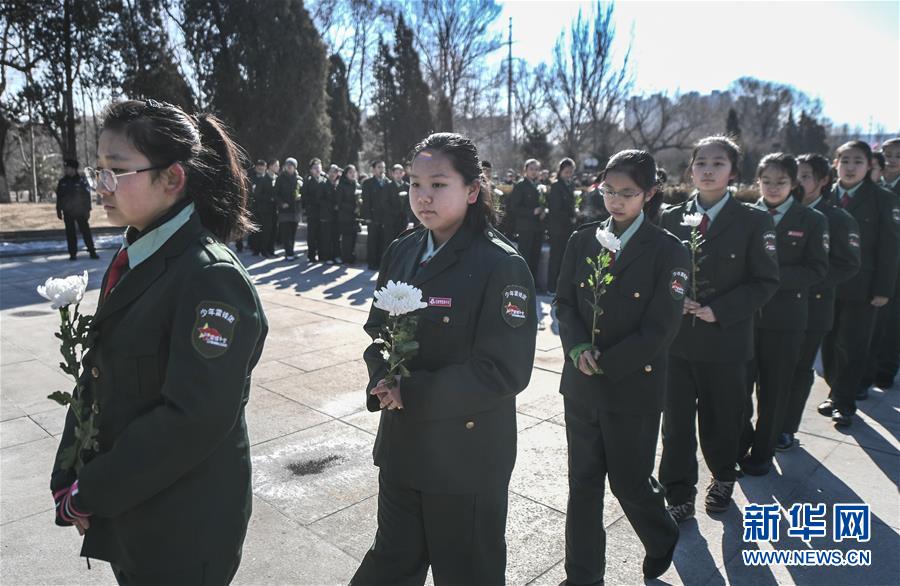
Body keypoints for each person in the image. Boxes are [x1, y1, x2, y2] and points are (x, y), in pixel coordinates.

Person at [51, 99, 268, 583]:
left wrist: (95, 490)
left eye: (117, 171)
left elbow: (191, 420)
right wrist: (70, 471)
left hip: (183, 525)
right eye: (99, 169)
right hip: (137, 508)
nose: (100, 186)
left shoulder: (210, 279)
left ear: (172, 178)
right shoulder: (136, 253)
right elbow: (101, 375)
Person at [350, 133, 537, 586]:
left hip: (464, 459)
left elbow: (503, 370)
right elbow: (378, 331)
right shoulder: (403, 250)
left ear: (472, 191)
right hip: (402, 448)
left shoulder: (499, 264)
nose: (423, 196)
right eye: (414, 184)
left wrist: (409, 391)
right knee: (391, 563)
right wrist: (381, 377)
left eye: (438, 184)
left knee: (467, 573)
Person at [555, 150, 687, 584]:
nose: (615, 201)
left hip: (633, 385)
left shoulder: (669, 251)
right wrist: (577, 350)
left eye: (627, 193)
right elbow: (565, 303)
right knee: (583, 486)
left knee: (630, 483)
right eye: (608, 190)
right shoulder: (582, 240)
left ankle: (661, 534)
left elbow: (660, 329)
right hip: (582, 386)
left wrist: (607, 362)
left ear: (649, 194)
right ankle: (583, 575)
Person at [658, 136, 779, 521]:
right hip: (676, 343)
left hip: (725, 341)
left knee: (722, 420)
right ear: (690, 168)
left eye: (718, 163)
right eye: (700, 163)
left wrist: (718, 310)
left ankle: (723, 476)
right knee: (675, 424)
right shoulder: (670, 217)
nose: (708, 170)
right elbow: (659, 274)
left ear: (733, 171)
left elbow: (765, 281)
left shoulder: (754, 221)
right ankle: (678, 491)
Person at [737, 153, 829, 476]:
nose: (773, 188)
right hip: (744, 317)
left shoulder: (811, 220)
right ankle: (741, 442)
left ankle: (763, 453)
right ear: (757, 181)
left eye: (781, 182)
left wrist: (770, 278)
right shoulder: (744, 216)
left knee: (774, 391)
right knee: (738, 387)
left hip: (786, 319)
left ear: (794, 183)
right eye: (766, 181)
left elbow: (817, 269)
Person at [781, 154, 860, 450]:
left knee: (799, 369)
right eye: (794, 176)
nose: (797, 183)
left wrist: (806, 280)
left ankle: (786, 428)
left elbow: (848, 264)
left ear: (824, 180)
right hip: (772, 308)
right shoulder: (775, 213)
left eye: (804, 177)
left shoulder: (837, 218)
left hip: (812, 307)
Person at [818, 141, 900, 425]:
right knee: (828, 343)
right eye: (845, 161)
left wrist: (883, 290)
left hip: (863, 289)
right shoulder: (823, 195)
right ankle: (834, 390)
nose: (850, 167)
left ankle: (845, 401)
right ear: (835, 163)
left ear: (869, 166)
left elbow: (890, 249)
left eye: (858, 162)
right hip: (826, 285)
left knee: (852, 346)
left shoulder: (882, 199)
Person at [862, 138, 900, 390]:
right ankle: (868, 369)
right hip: (875, 262)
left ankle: (885, 370)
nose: (892, 160)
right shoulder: (873, 185)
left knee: (894, 321)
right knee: (872, 320)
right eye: (887, 154)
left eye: (898, 155)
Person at [508, 159, 545, 284]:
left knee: (536, 256)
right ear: (525, 170)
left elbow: (543, 203)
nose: (534, 172)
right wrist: (531, 212)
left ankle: (533, 283)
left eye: (536, 169)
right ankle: (522, 283)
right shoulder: (520, 186)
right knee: (525, 256)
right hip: (525, 227)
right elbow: (514, 207)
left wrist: (544, 210)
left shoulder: (540, 186)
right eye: (531, 169)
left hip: (538, 227)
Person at [56, 158, 99, 260]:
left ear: (74, 169)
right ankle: (72, 253)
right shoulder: (62, 182)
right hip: (68, 212)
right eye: (66, 168)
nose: (66, 170)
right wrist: (58, 210)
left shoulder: (82, 180)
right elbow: (59, 197)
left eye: (68, 168)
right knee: (70, 234)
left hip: (80, 211)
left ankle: (92, 251)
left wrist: (88, 210)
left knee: (86, 232)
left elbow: (86, 196)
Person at [547, 158, 578, 293]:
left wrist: (576, 211)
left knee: (565, 258)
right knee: (556, 257)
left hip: (568, 228)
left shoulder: (570, 185)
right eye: (566, 172)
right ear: (560, 171)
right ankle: (551, 287)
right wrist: (570, 217)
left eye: (571, 172)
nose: (569, 174)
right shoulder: (556, 186)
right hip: (558, 228)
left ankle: (561, 287)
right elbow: (555, 209)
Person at [362, 160, 388, 269]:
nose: (382, 170)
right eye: (379, 167)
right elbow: (366, 202)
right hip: (372, 216)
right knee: (372, 240)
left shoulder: (388, 182)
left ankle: (380, 262)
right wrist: (367, 217)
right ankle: (372, 263)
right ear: (373, 169)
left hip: (385, 218)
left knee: (383, 240)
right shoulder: (368, 183)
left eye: (383, 167)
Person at [275, 157, 301, 261]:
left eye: (291, 165)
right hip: (284, 210)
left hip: (295, 210)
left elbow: (303, 192)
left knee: (293, 233)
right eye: (288, 165)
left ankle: (291, 251)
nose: (289, 167)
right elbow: (276, 194)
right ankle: (288, 252)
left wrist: (300, 197)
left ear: (295, 167)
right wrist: (281, 203)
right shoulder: (280, 178)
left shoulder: (298, 179)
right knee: (286, 233)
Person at [302, 158, 325, 262]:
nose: (317, 170)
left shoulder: (324, 179)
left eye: (319, 167)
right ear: (311, 170)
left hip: (322, 212)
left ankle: (321, 254)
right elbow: (305, 197)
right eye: (315, 168)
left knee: (321, 234)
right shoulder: (307, 180)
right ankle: (311, 255)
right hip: (312, 211)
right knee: (312, 235)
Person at [382, 163, 409, 252]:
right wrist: (395, 212)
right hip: (391, 220)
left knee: (402, 241)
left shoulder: (407, 186)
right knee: (389, 242)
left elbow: (410, 203)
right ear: (392, 174)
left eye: (400, 172)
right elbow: (385, 203)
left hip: (403, 219)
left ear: (403, 173)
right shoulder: (387, 186)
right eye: (396, 173)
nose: (398, 175)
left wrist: (406, 213)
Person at [256, 159, 280, 258]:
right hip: (265, 210)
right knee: (266, 230)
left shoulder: (277, 178)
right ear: (270, 166)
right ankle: (263, 250)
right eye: (276, 165)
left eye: (278, 166)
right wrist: (269, 198)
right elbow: (257, 194)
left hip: (275, 209)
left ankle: (271, 250)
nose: (278, 167)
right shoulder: (263, 179)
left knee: (274, 230)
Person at [337, 164, 360, 264]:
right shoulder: (341, 185)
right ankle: (345, 258)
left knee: (354, 237)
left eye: (354, 172)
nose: (353, 174)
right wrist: (352, 208)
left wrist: (359, 205)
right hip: (345, 216)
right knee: (347, 239)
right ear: (345, 174)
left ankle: (351, 257)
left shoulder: (356, 185)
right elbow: (339, 202)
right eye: (350, 172)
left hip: (354, 217)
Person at [319, 164, 341, 264]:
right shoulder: (323, 184)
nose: (333, 174)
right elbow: (320, 200)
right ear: (327, 173)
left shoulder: (339, 185)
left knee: (336, 237)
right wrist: (332, 206)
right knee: (326, 237)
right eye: (331, 171)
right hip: (326, 215)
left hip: (337, 216)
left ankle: (336, 255)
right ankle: (327, 257)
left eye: (335, 172)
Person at [246, 159, 268, 255]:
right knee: (254, 229)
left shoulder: (268, 179)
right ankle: (255, 249)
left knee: (264, 229)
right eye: (258, 168)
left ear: (265, 168)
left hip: (266, 208)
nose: (260, 169)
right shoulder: (251, 178)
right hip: (254, 207)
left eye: (262, 168)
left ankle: (264, 249)